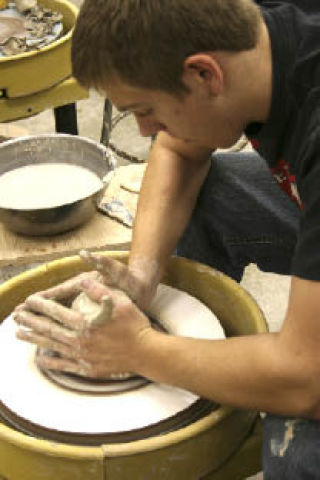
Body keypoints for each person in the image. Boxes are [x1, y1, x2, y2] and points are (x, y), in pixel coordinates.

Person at [14, 0, 320, 478]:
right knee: (209, 195)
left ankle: (193, 381)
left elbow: (307, 379)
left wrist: (137, 349)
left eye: (146, 110)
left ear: (204, 76)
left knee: (296, 448)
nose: (144, 130)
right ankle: (191, 381)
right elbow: (178, 149)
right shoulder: (250, 35)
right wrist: (142, 274)